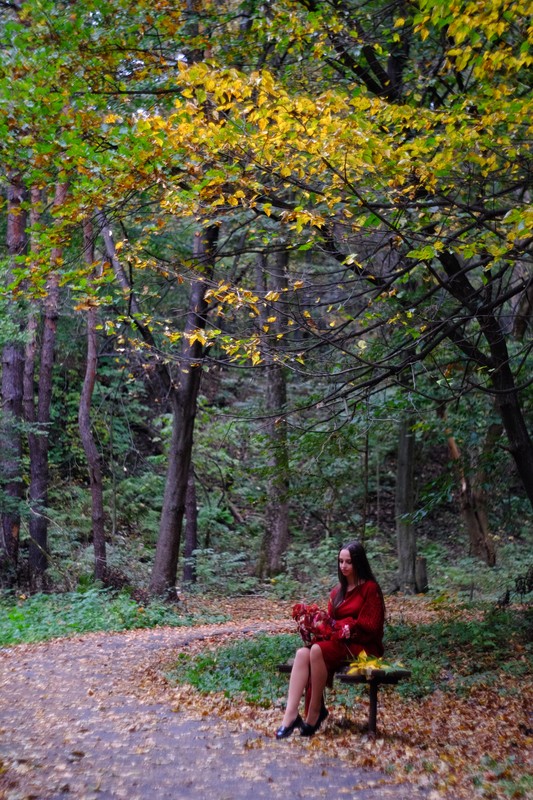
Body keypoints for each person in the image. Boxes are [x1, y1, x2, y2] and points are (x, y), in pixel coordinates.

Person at [275, 540, 385, 739]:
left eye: (348, 562)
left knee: (317, 650)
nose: (343, 566)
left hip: (364, 646)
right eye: (341, 561)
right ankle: (290, 717)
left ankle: (314, 713)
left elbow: (372, 626)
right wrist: (318, 625)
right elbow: (331, 623)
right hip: (340, 642)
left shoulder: (370, 589)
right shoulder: (337, 592)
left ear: (358, 562)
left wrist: (347, 627)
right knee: (302, 653)